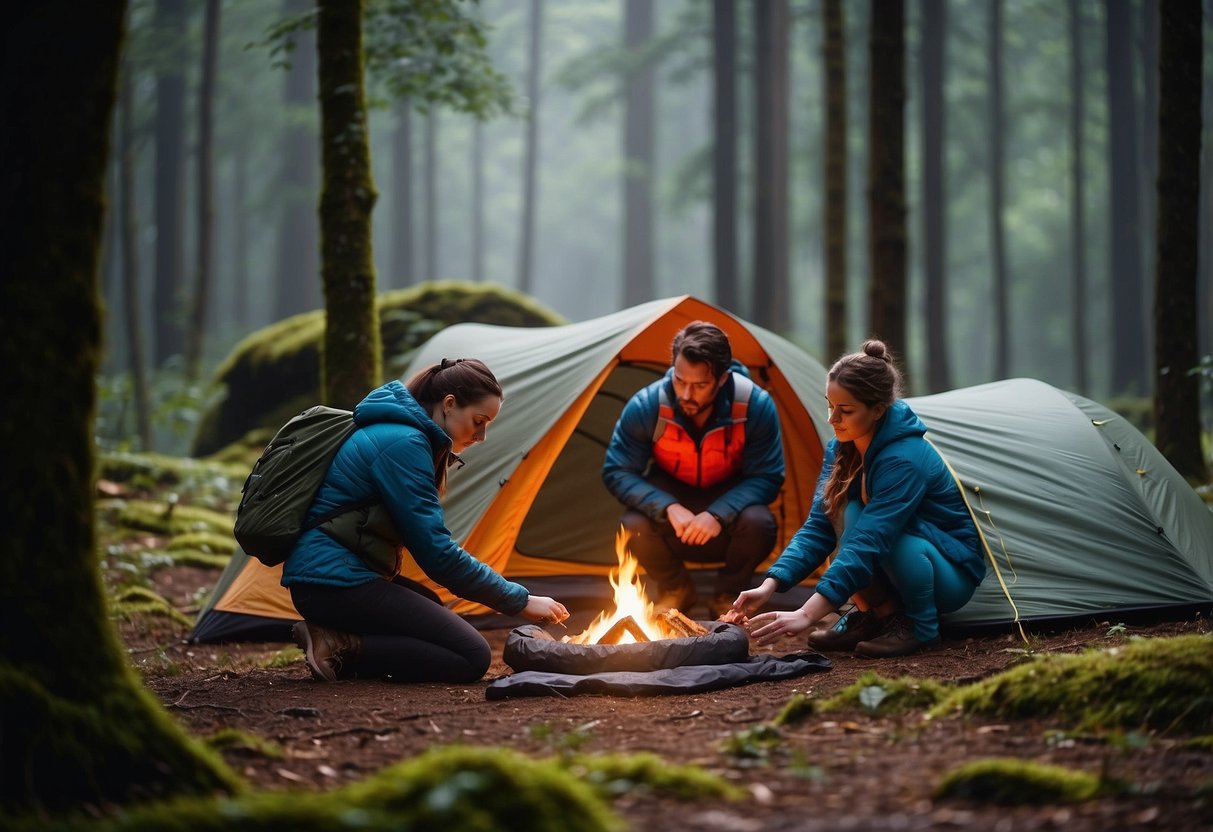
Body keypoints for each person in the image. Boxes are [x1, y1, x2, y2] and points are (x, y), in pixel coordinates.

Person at [283, 358, 569, 683]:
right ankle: (342, 646)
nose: (482, 435)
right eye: (478, 421)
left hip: (332, 579)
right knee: (471, 656)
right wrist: (520, 600)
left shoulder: (407, 436)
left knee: (430, 605)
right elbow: (437, 553)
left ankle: (335, 637)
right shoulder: (403, 444)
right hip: (331, 583)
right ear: (449, 404)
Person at [732, 340, 985, 658]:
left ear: (878, 410)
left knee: (885, 537)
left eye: (845, 410)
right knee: (845, 514)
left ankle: (921, 628)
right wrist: (770, 584)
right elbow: (818, 527)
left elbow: (871, 540)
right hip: (892, 557)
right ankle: (877, 617)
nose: (832, 419)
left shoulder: (904, 459)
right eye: (830, 405)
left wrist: (806, 614)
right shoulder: (841, 447)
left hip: (947, 572)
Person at [602, 321, 785, 619]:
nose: (686, 394)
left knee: (760, 523)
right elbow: (617, 471)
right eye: (679, 380)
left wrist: (718, 514)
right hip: (672, 511)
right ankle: (676, 590)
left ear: (723, 379)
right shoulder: (647, 405)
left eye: (700, 385)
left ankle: (729, 596)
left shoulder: (755, 405)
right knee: (632, 524)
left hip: (729, 513)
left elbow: (768, 476)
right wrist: (667, 507)